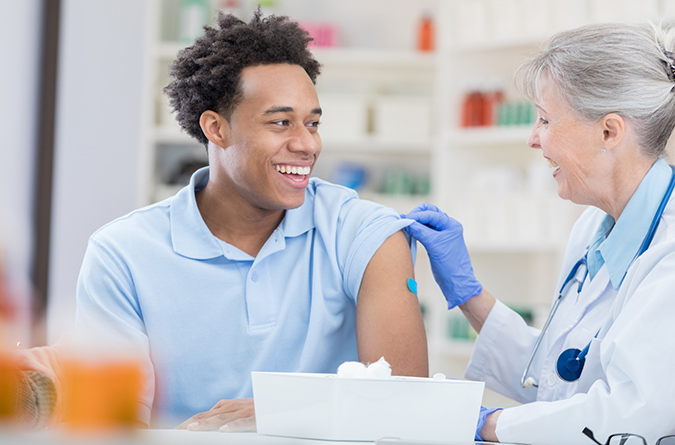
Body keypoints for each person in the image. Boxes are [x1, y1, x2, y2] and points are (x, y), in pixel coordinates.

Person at [13, 10, 428, 430]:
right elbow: (118, 427)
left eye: (313, 123)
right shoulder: (123, 253)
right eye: (281, 122)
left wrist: (283, 415)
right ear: (216, 128)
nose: (307, 144)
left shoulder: (365, 234)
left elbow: (407, 402)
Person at [404, 22, 675, 444]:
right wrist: (469, 294)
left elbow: (633, 413)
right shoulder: (591, 228)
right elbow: (560, 373)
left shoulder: (669, 252)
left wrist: (487, 425)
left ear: (609, 131)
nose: (533, 138)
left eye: (546, 119)